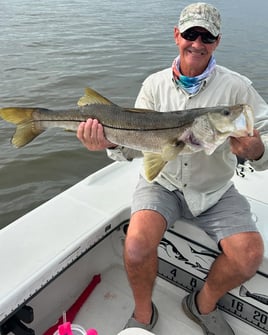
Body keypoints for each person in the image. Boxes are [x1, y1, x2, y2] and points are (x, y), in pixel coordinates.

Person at [77, 3, 268, 334]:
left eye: (206, 36)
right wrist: (109, 144)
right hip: (162, 183)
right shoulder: (153, 85)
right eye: (191, 34)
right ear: (177, 35)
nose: (197, 43)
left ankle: (201, 304)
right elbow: (135, 143)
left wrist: (258, 149)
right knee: (135, 247)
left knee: (249, 256)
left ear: (217, 41)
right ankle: (142, 314)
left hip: (215, 190)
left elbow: (263, 132)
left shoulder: (237, 89)